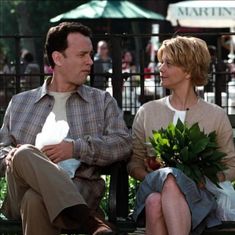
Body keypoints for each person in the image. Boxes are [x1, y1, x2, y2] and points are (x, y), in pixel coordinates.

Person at [0, 22, 131, 235]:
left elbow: (123, 144)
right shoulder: (20, 103)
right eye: (82, 55)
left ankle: (78, 212)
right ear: (58, 58)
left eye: (90, 55)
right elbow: (0, 149)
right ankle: (89, 221)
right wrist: (19, 158)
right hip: (20, 190)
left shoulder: (100, 101)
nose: (90, 61)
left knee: (34, 200)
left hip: (80, 191)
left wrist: (75, 148)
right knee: (22, 154)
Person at [127, 36, 235, 235]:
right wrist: (153, 176)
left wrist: (205, 179)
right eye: (161, 62)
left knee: (155, 202)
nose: (160, 68)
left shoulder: (215, 115)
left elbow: (231, 165)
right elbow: (134, 162)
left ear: (188, 70)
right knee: (168, 179)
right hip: (153, 187)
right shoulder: (147, 111)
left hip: (199, 197)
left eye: (168, 63)